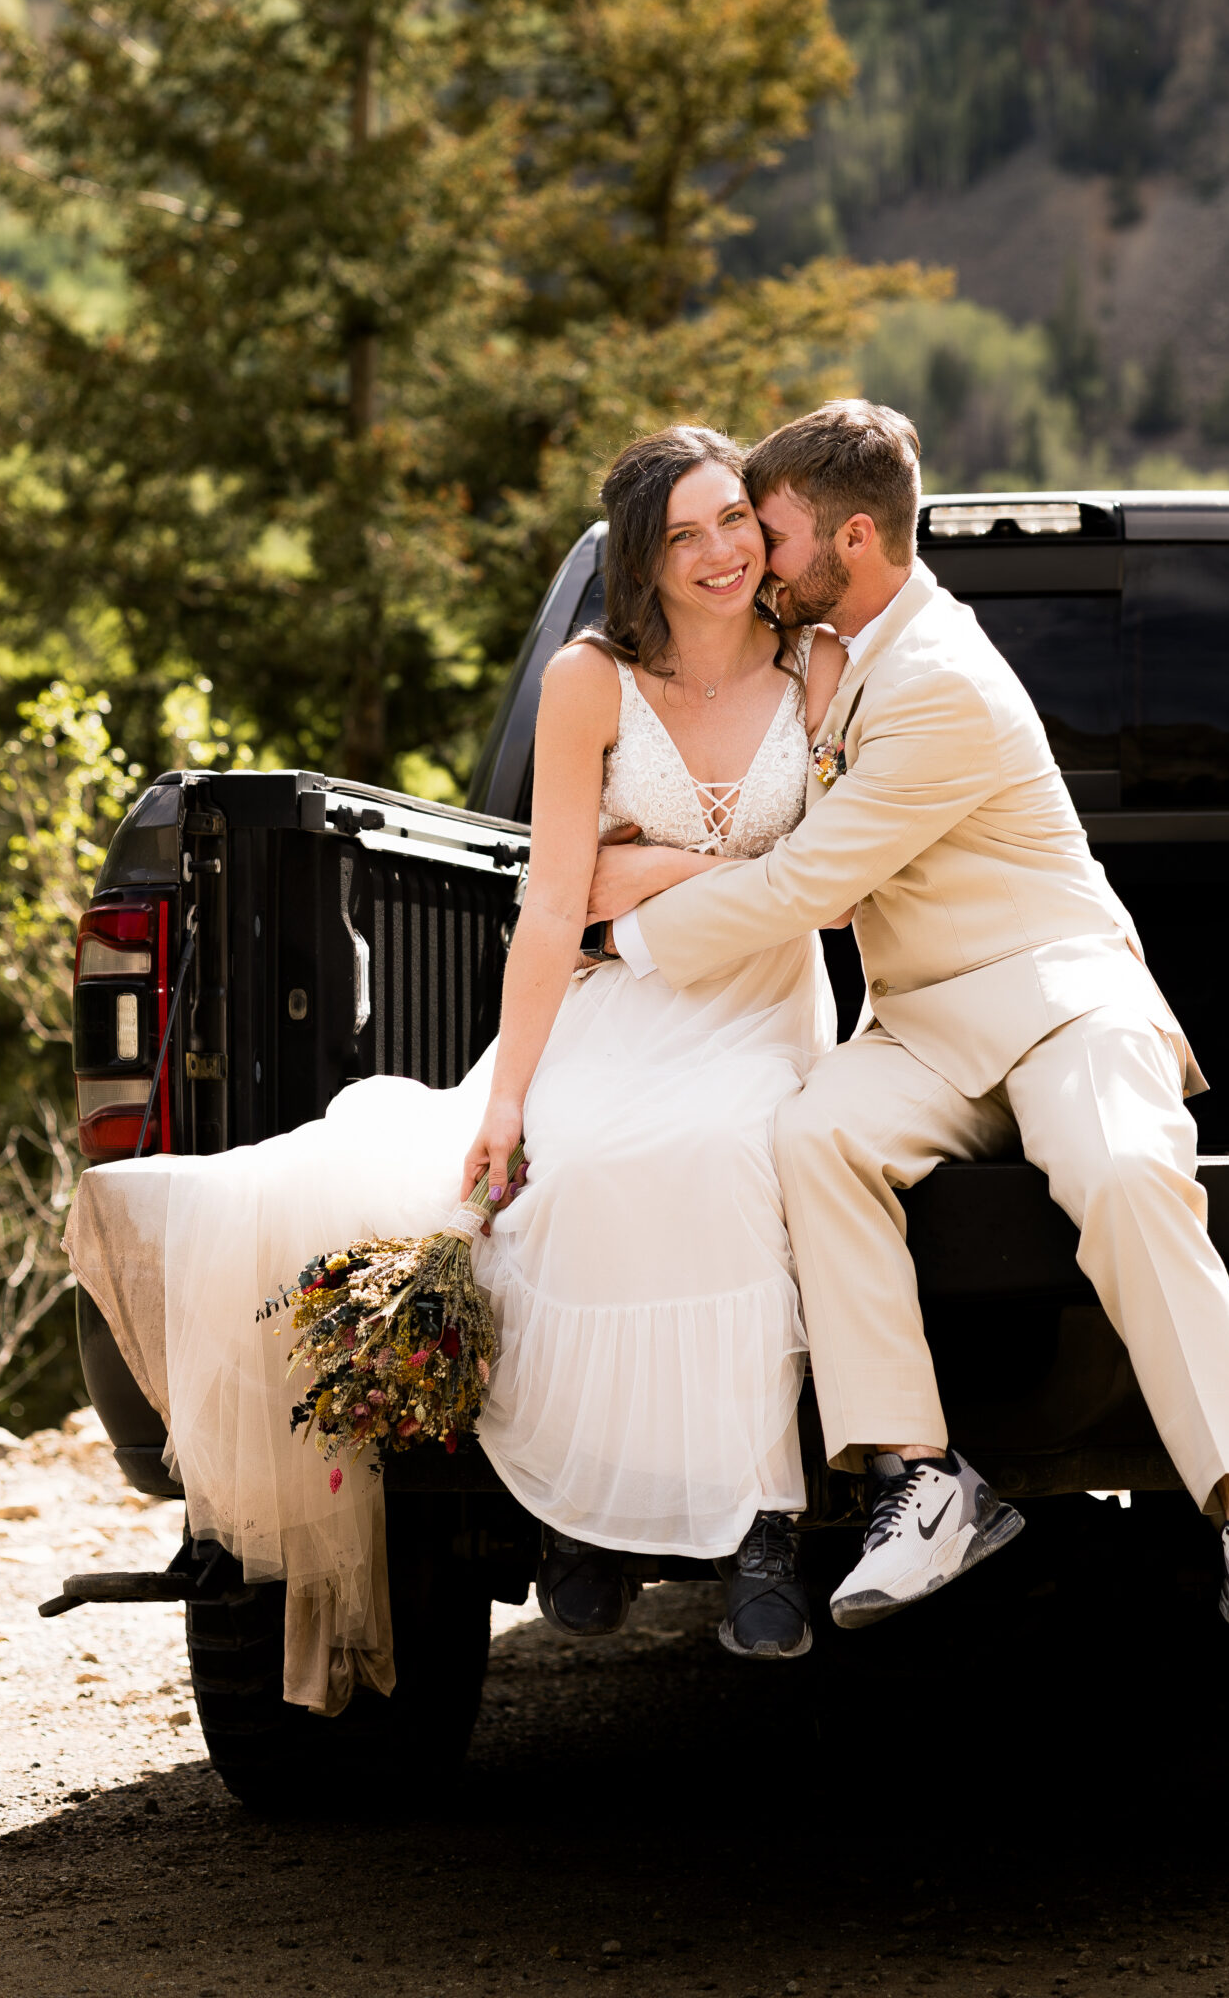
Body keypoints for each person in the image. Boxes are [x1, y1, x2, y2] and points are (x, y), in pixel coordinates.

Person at [68, 424, 847, 1712]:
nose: (719, 553)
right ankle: (593, 1520)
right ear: (642, 565)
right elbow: (553, 905)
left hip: (759, 1005)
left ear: (766, 532)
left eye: (733, 523)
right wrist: (508, 1090)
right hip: (618, 996)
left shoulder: (815, 666)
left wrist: (660, 870)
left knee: (723, 1158)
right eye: (684, 536)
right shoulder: (593, 679)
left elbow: (830, 886)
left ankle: (762, 1528)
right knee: (567, 1166)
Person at [589, 399, 1229, 1663]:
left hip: (1060, 1000)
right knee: (815, 1132)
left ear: (858, 537)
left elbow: (807, 888)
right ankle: (924, 1479)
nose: (759, 560)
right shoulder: (839, 649)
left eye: (771, 534)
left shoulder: (941, 678)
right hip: (927, 1025)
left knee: (1122, 1171)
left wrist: (627, 938)